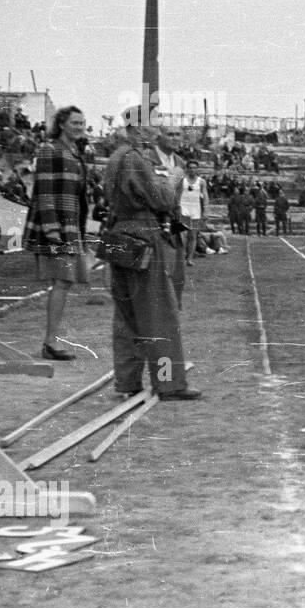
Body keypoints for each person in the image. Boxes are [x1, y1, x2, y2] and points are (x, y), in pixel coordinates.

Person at [102, 105, 200, 400]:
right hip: (143, 235)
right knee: (160, 315)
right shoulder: (135, 159)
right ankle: (169, 383)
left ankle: (128, 383)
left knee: (126, 316)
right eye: (152, 125)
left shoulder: (116, 157)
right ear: (137, 128)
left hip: (118, 234)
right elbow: (163, 199)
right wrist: (175, 177)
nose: (156, 130)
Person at [21, 106, 91, 360]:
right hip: (58, 227)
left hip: (71, 226)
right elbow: (44, 191)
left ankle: (52, 340)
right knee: (62, 281)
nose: (79, 126)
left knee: (65, 282)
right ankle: (50, 342)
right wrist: (51, 229)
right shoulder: (50, 149)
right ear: (61, 124)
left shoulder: (73, 151)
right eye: (74, 122)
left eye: (82, 122)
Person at [150, 125, 187, 304]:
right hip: (150, 220)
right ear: (160, 136)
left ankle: (173, 311)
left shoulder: (180, 162)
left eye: (178, 135)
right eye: (170, 134)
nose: (174, 138)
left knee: (177, 274)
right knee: (154, 275)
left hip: (172, 221)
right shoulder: (147, 158)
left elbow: (177, 194)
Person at [179, 160, 208, 264]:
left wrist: (205, 211)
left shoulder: (201, 181)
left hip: (195, 209)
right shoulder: (182, 180)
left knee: (192, 235)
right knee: (181, 235)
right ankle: (181, 256)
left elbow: (205, 196)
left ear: (197, 169)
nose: (192, 170)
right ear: (187, 169)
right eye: (190, 168)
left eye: (194, 168)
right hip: (183, 208)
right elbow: (176, 194)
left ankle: (189, 258)